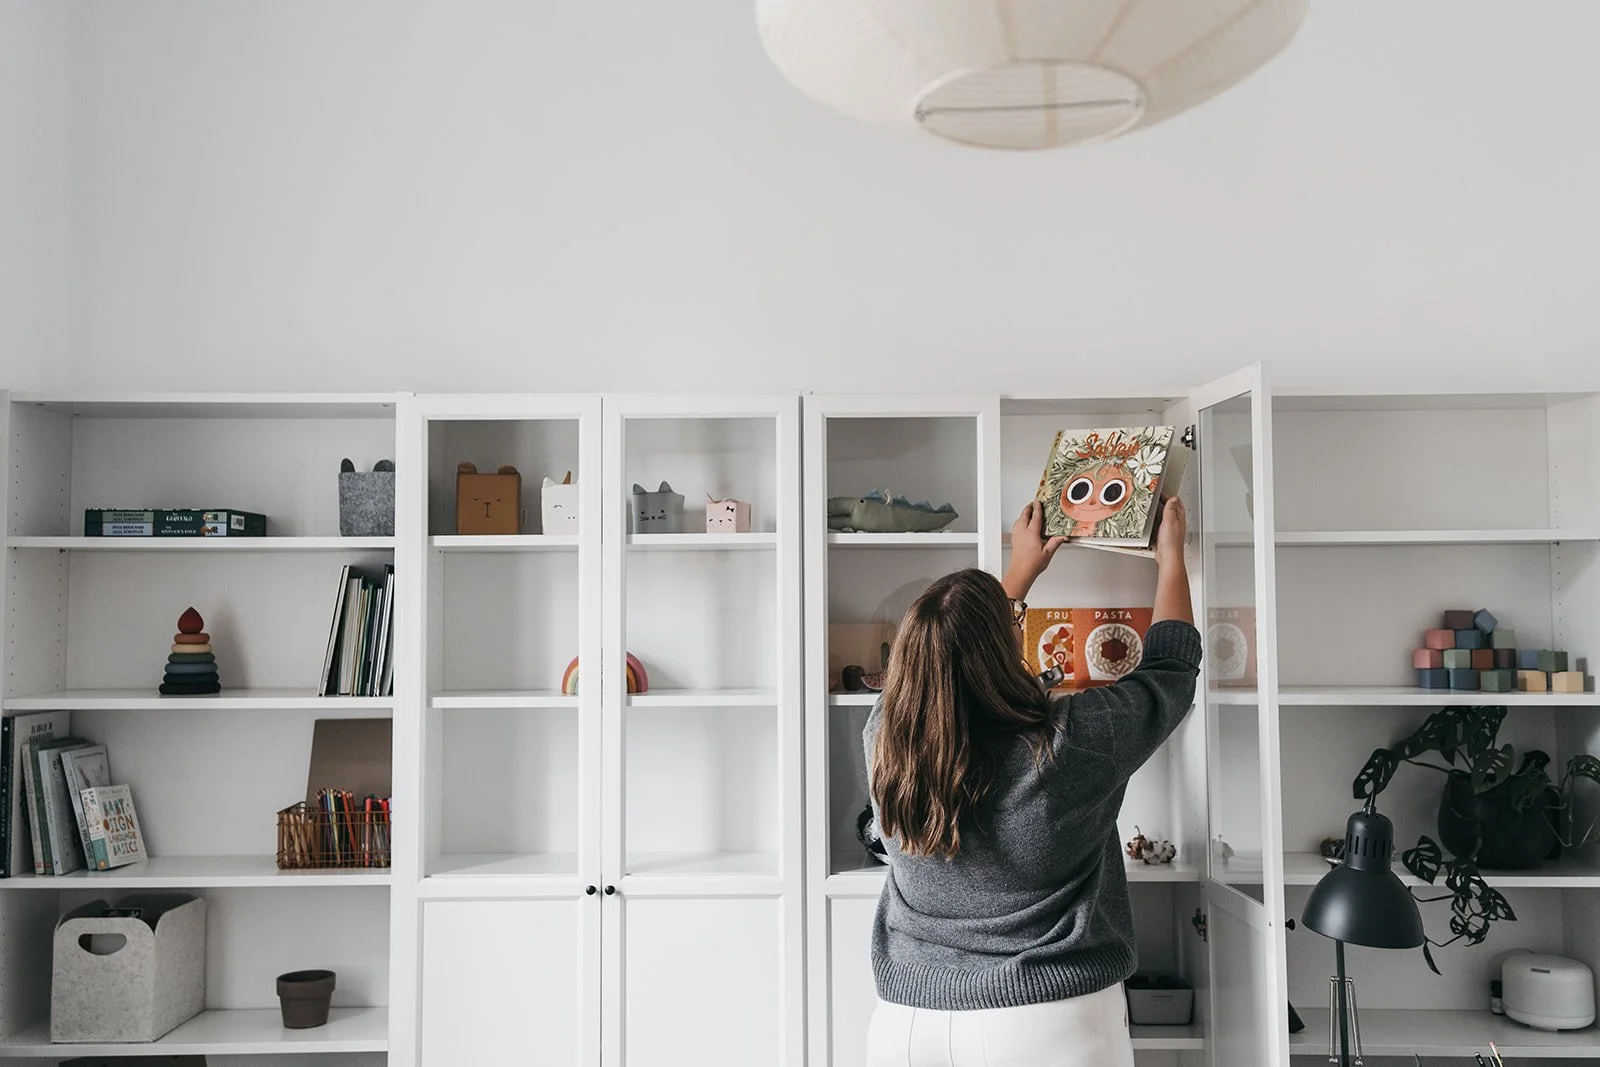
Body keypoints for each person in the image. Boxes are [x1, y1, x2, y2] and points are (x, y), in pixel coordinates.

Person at [863, 496, 1201, 1067]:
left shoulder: (884, 740)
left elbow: (953, 661)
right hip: (1044, 1020)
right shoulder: (1070, 741)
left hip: (906, 1024)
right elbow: (1169, 672)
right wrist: (1171, 560)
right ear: (1005, 651)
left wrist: (1019, 572)